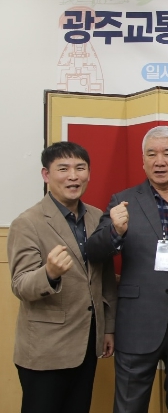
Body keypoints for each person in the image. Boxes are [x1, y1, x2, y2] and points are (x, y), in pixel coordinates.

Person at [86, 125, 168, 413]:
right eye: (151, 154)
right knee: (129, 407)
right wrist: (115, 231)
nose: (159, 161)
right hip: (137, 322)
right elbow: (93, 251)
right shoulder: (122, 201)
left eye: (167, 153)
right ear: (143, 161)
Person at [8, 141, 117, 413]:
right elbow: (20, 285)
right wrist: (49, 274)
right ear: (46, 175)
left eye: (80, 168)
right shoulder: (28, 222)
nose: (73, 176)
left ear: (88, 173)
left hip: (86, 346)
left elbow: (104, 279)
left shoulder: (96, 217)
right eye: (63, 169)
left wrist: (108, 328)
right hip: (45, 351)